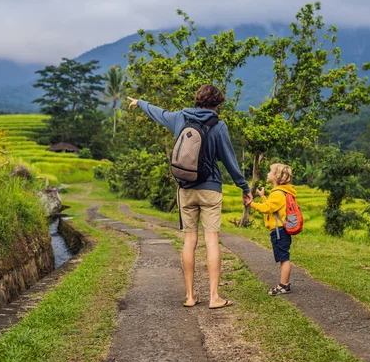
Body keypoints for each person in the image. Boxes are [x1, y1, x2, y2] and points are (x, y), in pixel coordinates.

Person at [127, 84, 253, 309]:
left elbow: (158, 112)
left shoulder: (180, 117)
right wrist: (244, 187)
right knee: (211, 240)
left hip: (185, 187)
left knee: (189, 241)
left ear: (197, 100)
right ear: (217, 104)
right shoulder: (218, 125)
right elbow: (229, 160)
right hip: (210, 188)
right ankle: (214, 297)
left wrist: (140, 103)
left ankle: (190, 295)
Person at [250, 163, 296, 296]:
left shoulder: (278, 194)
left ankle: (284, 285)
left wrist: (251, 203)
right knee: (282, 257)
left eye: (270, 172)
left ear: (276, 176)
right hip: (279, 230)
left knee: (284, 258)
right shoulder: (279, 193)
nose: (267, 174)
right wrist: (263, 196)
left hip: (279, 231)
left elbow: (266, 208)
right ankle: (284, 284)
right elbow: (271, 207)